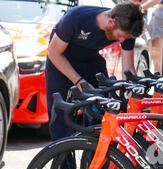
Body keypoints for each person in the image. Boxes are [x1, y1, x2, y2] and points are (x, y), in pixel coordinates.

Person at [45, 2, 144, 141]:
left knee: (101, 113)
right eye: (120, 36)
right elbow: (53, 52)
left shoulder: (126, 29)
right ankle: (64, 161)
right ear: (111, 22)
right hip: (61, 62)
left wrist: (134, 91)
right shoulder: (76, 18)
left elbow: (128, 68)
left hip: (91, 60)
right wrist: (79, 81)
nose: (122, 40)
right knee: (61, 121)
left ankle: (95, 159)